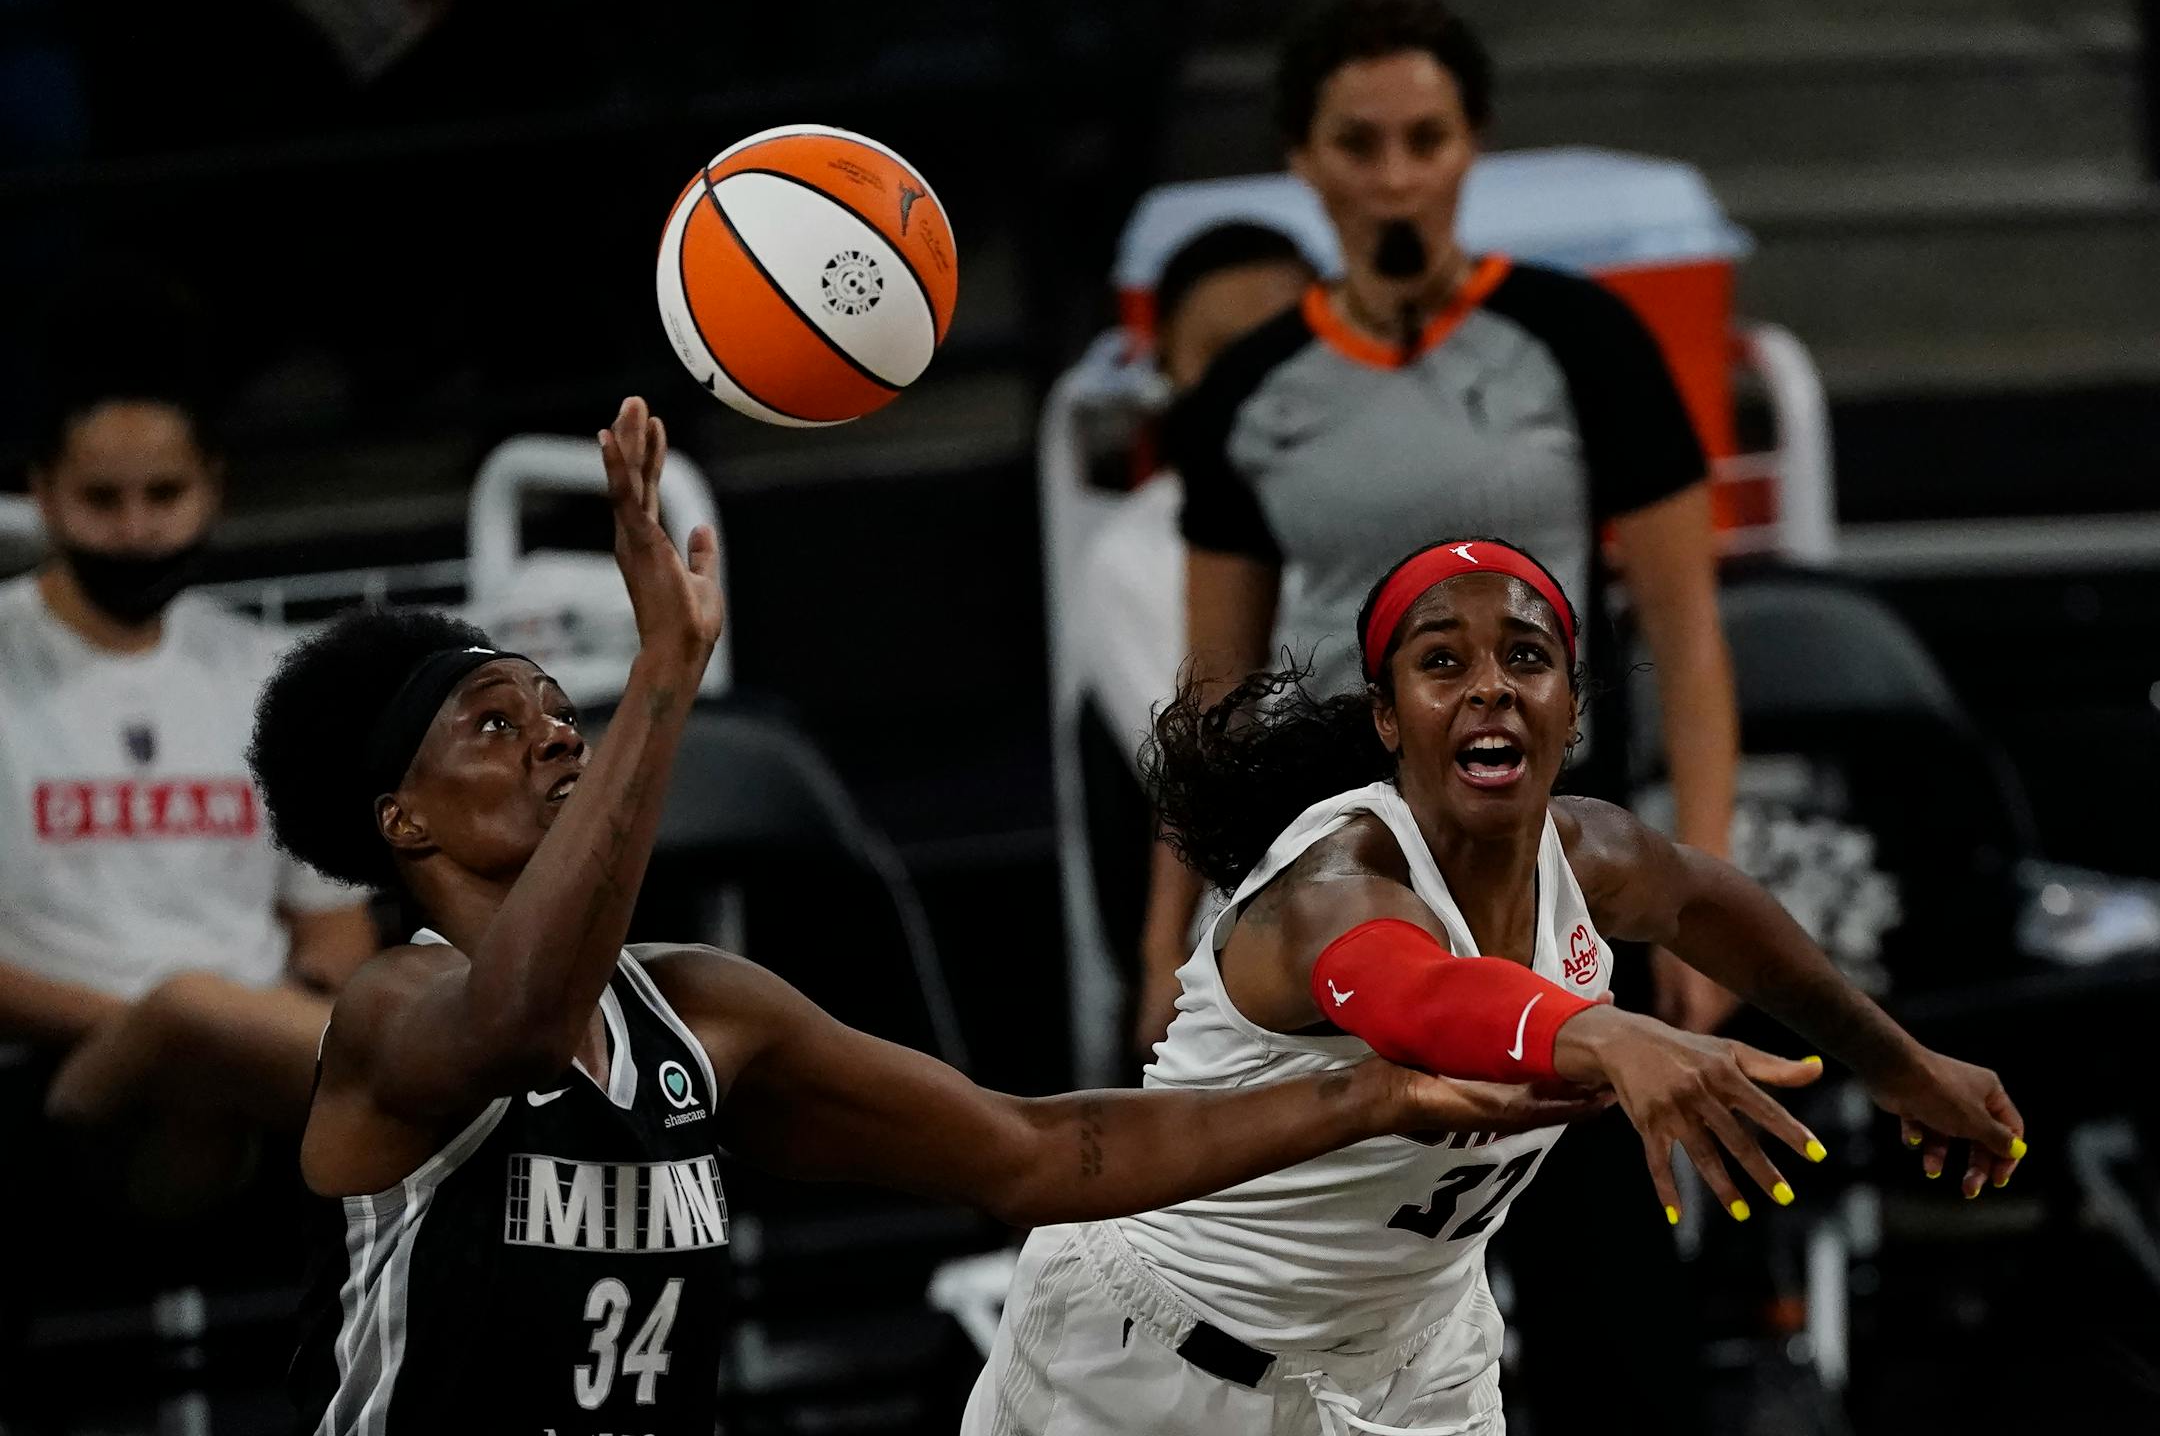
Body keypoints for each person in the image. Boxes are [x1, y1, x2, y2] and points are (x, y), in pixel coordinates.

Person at [259, 398, 1611, 1436]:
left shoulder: (706, 1014)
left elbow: (1032, 1153)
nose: (556, 733)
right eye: (497, 725)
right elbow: (525, 1019)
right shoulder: (390, 1019)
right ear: (403, 821)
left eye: (561, 706)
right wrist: (668, 669)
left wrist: (1367, 1100)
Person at [963, 537, 2025, 1436]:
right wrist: (1608, 1034)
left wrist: (1901, 1067)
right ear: (1388, 718)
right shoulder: (1337, 882)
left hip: (1413, 1361)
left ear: (1570, 708)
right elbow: (1411, 999)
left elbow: (1719, 911)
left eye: (1528, 656)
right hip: (1152, 1361)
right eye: (1442, 661)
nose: (1491, 686)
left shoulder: (1594, 855)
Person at [1136, 0, 1740, 1056]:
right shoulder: (1248, 388)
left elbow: (1688, 642)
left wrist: (1699, 907)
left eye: (1426, 139)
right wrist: (1160, 952)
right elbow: (1214, 696)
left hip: (1546, 841)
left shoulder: (1585, 341)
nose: (1396, 177)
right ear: (1305, 162)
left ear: (1473, 148)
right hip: (1330, 860)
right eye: (1358, 145)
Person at [0, 378, 375, 1151]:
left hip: (268, 1062)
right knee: (195, 1018)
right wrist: (183, 1023)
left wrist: (256, 1022)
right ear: (43, 494)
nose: (137, 529)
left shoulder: (273, 673)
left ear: (213, 489)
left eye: (165, 494)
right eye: (101, 500)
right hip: (60, 1072)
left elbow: (337, 927)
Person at [1066, 221, 1316, 1069]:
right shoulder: (1133, 555)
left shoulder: (1379, 502)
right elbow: (1226, 755)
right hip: (1259, 947)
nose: (1254, 377)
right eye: (1221, 353)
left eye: (1280, 343)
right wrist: (1157, 961)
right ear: (1167, 368)